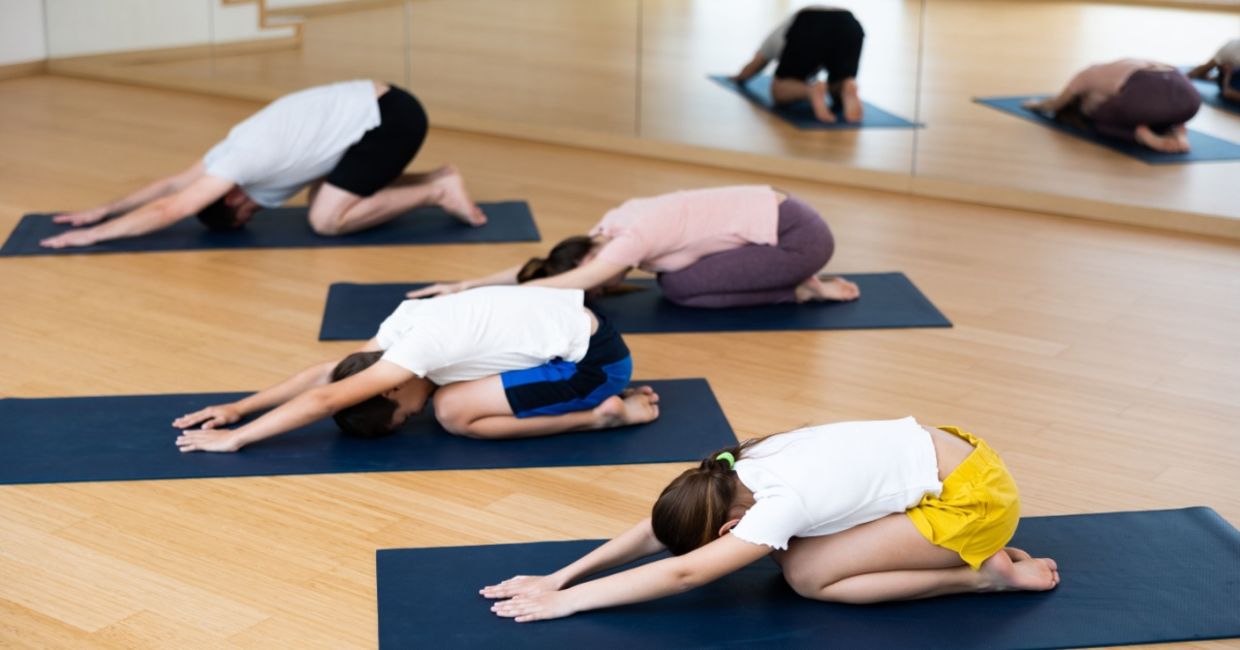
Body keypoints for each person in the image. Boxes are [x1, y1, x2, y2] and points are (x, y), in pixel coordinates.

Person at [482, 417, 1060, 622]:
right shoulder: (734, 467)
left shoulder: (785, 503)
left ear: (729, 530)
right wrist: (562, 575)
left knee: (808, 577)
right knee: (793, 554)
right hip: (956, 460)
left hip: (975, 502)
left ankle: (982, 576)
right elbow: (660, 528)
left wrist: (571, 601)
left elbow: (684, 574)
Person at [172, 286, 658, 452]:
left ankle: (603, 415)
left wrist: (240, 436)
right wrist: (239, 406)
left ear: (388, 390)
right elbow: (330, 373)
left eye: (403, 415)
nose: (412, 414)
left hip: (595, 366)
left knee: (454, 413)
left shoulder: (418, 349)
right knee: (449, 397)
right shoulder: (402, 325)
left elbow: (325, 396)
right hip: (581, 338)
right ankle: (594, 406)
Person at [40, 79, 486, 249]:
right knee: (321, 194)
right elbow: (172, 184)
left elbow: (170, 208)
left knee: (326, 219)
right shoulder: (228, 151)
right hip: (381, 106)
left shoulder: (240, 160)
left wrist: (93, 234)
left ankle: (435, 192)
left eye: (248, 212)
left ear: (231, 196)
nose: (261, 210)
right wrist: (107, 207)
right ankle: (439, 177)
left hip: (390, 118)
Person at [408, 185, 860, 309]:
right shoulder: (605, 226)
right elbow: (546, 268)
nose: (605, 283)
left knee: (680, 290)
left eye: (599, 282)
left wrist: (483, 298)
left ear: (589, 258)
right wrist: (463, 283)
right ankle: (792, 279)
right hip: (782, 218)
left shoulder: (629, 236)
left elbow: (573, 278)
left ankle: (803, 288)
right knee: (677, 278)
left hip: (799, 239)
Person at [1023, 59, 1202, 153]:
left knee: (1098, 120)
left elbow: (1056, 103)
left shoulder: (1086, 74)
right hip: (1191, 99)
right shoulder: (1119, 65)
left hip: (1145, 91)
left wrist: (1035, 104)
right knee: (1154, 110)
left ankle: (1144, 137)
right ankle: (1177, 129)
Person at [731, 6, 866, 124]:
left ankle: (811, 91)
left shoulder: (774, 37)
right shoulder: (787, 27)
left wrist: (739, 77)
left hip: (811, 22)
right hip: (849, 24)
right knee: (839, 80)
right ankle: (846, 84)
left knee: (778, 90)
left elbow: (755, 65)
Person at [1187, 38, 1240, 104]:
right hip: (1227, 72)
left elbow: (1227, 93)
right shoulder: (1232, 48)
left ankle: (1211, 76)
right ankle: (1209, 76)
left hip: (1228, 77)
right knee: (1201, 71)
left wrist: (1228, 74)